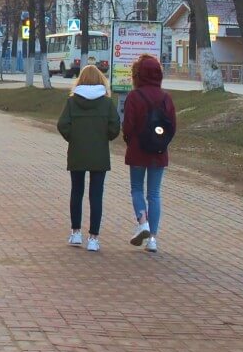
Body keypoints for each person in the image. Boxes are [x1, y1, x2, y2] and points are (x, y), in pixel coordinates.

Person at [57, 64, 120, 252]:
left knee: (77, 192)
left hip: (77, 152)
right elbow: (115, 127)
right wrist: (104, 137)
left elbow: (62, 124)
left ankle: (76, 233)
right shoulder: (107, 103)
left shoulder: (72, 102)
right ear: (101, 80)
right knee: (96, 195)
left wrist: (74, 138)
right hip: (99, 154)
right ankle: (93, 238)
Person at [121, 53, 176, 253]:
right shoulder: (166, 97)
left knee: (136, 188)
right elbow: (173, 127)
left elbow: (127, 126)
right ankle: (152, 239)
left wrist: (130, 141)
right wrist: (162, 143)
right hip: (159, 151)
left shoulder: (134, 97)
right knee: (154, 194)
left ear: (137, 74)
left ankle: (142, 222)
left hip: (137, 150)